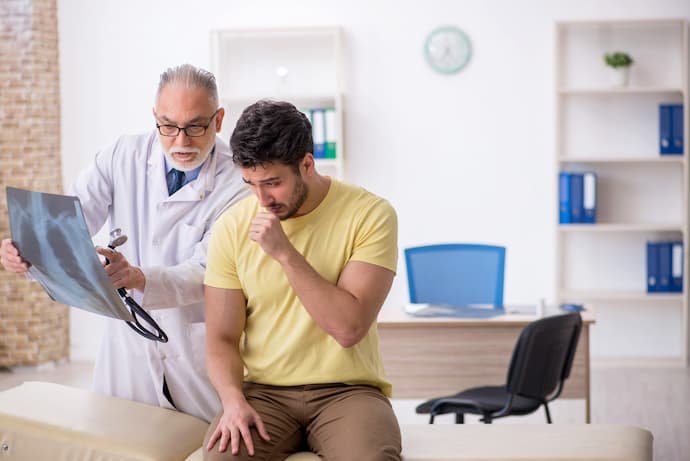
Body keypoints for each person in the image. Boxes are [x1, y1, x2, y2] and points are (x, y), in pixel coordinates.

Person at [0, 64, 249, 422]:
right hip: (127, 350)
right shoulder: (123, 156)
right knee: (114, 442)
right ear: (155, 117)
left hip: (195, 351)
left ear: (219, 119)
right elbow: (70, 223)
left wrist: (139, 278)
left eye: (195, 126)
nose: (180, 141)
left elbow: (209, 270)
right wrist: (27, 251)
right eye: (168, 125)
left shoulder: (238, 183)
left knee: (199, 448)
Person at [203, 100, 402, 460]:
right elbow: (221, 337)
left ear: (307, 165)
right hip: (264, 393)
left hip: (348, 390)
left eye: (273, 183)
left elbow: (348, 328)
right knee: (220, 457)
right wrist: (233, 401)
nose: (261, 199)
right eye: (250, 184)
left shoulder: (370, 215)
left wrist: (285, 253)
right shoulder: (232, 226)